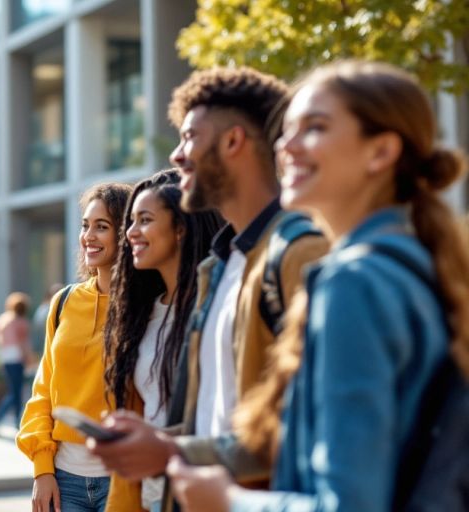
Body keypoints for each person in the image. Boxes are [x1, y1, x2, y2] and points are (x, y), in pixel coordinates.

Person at [165, 60, 469, 512]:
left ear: (381, 151)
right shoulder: (415, 264)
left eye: (316, 127)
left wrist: (229, 501)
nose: (286, 146)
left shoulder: (354, 283)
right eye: (288, 130)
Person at [88, 68, 329, 510]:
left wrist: (170, 451)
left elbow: (317, 429)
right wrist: (156, 442)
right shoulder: (217, 270)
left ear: (233, 142)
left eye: (188, 138)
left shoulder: (300, 255)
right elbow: (217, 425)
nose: (177, 156)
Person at [100, 170, 223, 511]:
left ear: (181, 229)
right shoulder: (141, 314)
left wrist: (163, 445)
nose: (131, 232)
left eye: (145, 220)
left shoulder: (213, 308)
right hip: (152, 494)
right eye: (131, 221)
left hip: (203, 489)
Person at [18, 183, 134, 512]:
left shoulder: (145, 305)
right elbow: (43, 392)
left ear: (125, 233)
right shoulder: (64, 301)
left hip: (123, 479)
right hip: (64, 479)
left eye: (102, 226)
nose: (89, 236)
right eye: (85, 226)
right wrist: (42, 469)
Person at [0, 291, 35, 434]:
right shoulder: (22, 322)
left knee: (13, 391)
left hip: (5, 358)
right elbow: (24, 344)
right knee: (16, 392)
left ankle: (4, 419)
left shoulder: (3, 320)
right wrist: (29, 360)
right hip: (17, 359)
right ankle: (13, 420)